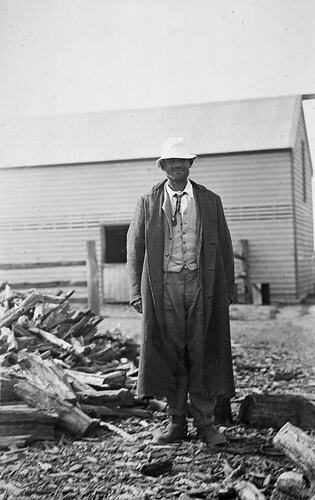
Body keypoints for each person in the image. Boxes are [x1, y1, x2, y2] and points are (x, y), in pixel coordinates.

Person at [127, 137, 235, 446]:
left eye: (182, 161)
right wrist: (136, 291)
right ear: (161, 166)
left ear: (190, 164)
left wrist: (226, 288)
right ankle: (176, 422)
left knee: (202, 350)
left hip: (202, 283)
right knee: (172, 351)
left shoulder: (210, 200)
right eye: (170, 162)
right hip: (165, 287)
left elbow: (224, 245)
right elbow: (135, 249)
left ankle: (206, 424)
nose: (177, 166)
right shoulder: (147, 201)